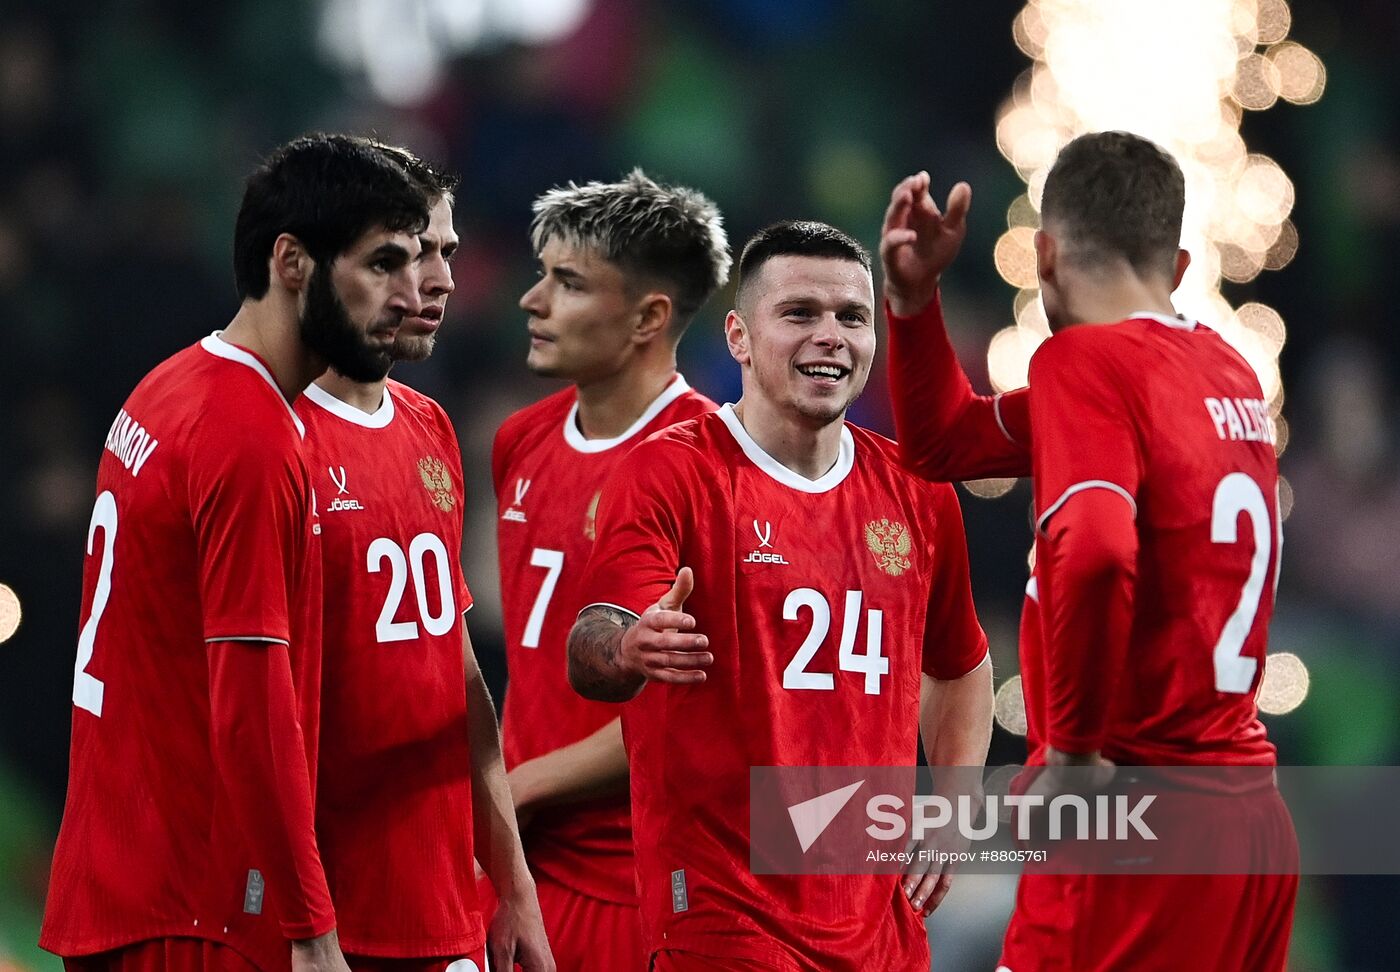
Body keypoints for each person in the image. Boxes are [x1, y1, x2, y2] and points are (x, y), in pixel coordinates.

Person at [880, 132, 1297, 971]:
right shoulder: (1229, 374)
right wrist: (915, 305)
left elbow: (1099, 550)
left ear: (1042, 253)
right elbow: (945, 443)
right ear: (1178, 269)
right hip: (1249, 822)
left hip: (1135, 826)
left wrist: (1071, 756)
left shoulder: (1085, 365)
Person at [41, 134, 431, 972]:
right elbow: (251, 706)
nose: (410, 293)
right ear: (292, 261)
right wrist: (310, 925)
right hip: (202, 910)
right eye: (382, 264)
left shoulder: (169, 387)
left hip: (121, 885)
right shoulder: (250, 438)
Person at [566, 221, 994, 972]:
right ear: (738, 335)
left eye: (851, 318)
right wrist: (629, 646)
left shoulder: (919, 492)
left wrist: (955, 807)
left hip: (879, 928)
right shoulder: (670, 474)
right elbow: (593, 640)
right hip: (726, 917)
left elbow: (958, 667)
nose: (830, 336)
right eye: (800, 313)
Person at [294, 148, 553, 972]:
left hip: (442, 902)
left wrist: (511, 882)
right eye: (409, 254)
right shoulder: (270, 437)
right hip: (327, 906)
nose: (439, 279)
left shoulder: (430, 428)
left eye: (446, 251)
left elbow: (456, 670)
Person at [488, 169, 730, 971]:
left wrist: (517, 785)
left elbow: (704, 706)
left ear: (648, 317)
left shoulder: (717, 469)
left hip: (646, 888)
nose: (533, 300)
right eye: (540, 274)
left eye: (567, 283)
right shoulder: (518, 442)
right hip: (522, 869)